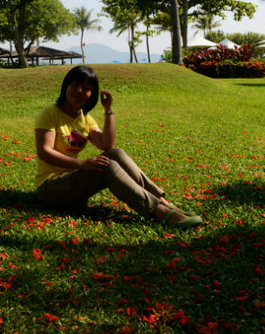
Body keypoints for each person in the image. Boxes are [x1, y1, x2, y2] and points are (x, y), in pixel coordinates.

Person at [34, 65, 202, 228]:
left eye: (86, 88)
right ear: (66, 85)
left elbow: (106, 144)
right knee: (108, 167)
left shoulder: (84, 118)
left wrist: (108, 110)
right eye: (76, 85)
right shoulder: (50, 113)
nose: (79, 91)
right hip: (51, 189)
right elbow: (45, 152)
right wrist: (83, 164)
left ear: (91, 93)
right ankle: (159, 213)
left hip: (75, 186)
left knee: (116, 153)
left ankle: (166, 204)